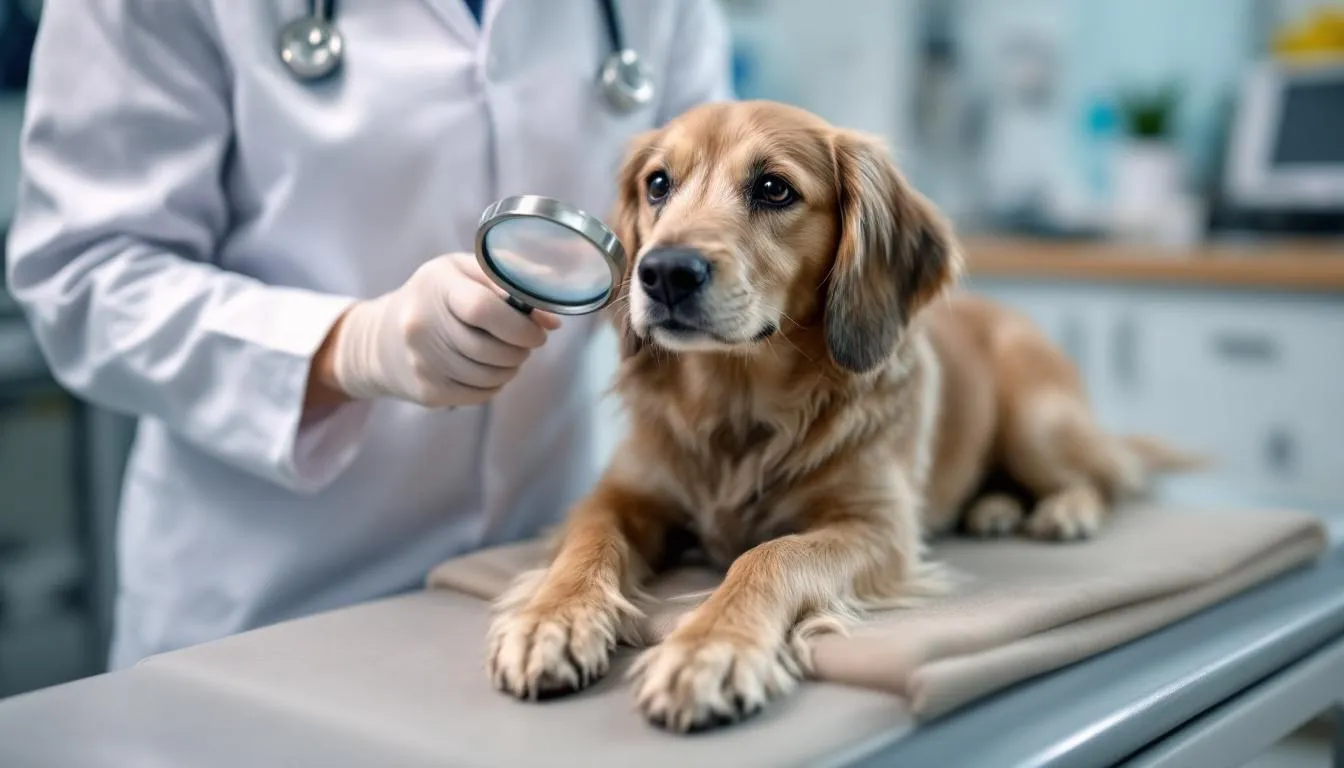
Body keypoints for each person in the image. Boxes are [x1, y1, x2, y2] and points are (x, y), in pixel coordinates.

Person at [5, 0, 733, 669]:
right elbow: (86, 274)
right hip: (269, 611)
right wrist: (349, 346)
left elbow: (703, 227)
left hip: (533, 575)